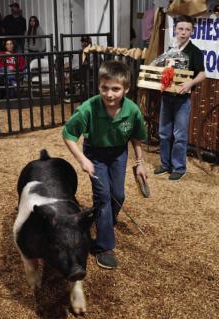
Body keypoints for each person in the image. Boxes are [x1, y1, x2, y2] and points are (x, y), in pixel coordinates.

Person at [62, 60, 148, 270]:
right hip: (95, 155)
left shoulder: (132, 110)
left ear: (126, 89)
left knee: (118, 195)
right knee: (103, 196)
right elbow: (68, 134)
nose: (110, 94)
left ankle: (107, 217)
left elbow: (137, 137)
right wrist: (83, 160)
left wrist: (139, 163)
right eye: (104, 88)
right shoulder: (88, 108)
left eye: (116, 89)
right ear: (99, 86)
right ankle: (104, 246)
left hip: (119, 153)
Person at [153, 15, 206, 181]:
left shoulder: (195, 52)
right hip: (166, 97)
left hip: (182, 100)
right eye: (180, 29)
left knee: (180, 136)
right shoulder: (170, 50)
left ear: (192, 31)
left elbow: (203, 74)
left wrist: (190, 83)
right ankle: (165, 164)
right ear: (175, 29)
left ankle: (179, 168)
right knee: (163, 133)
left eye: (187, 29)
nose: (183, 32)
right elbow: (161, 68)